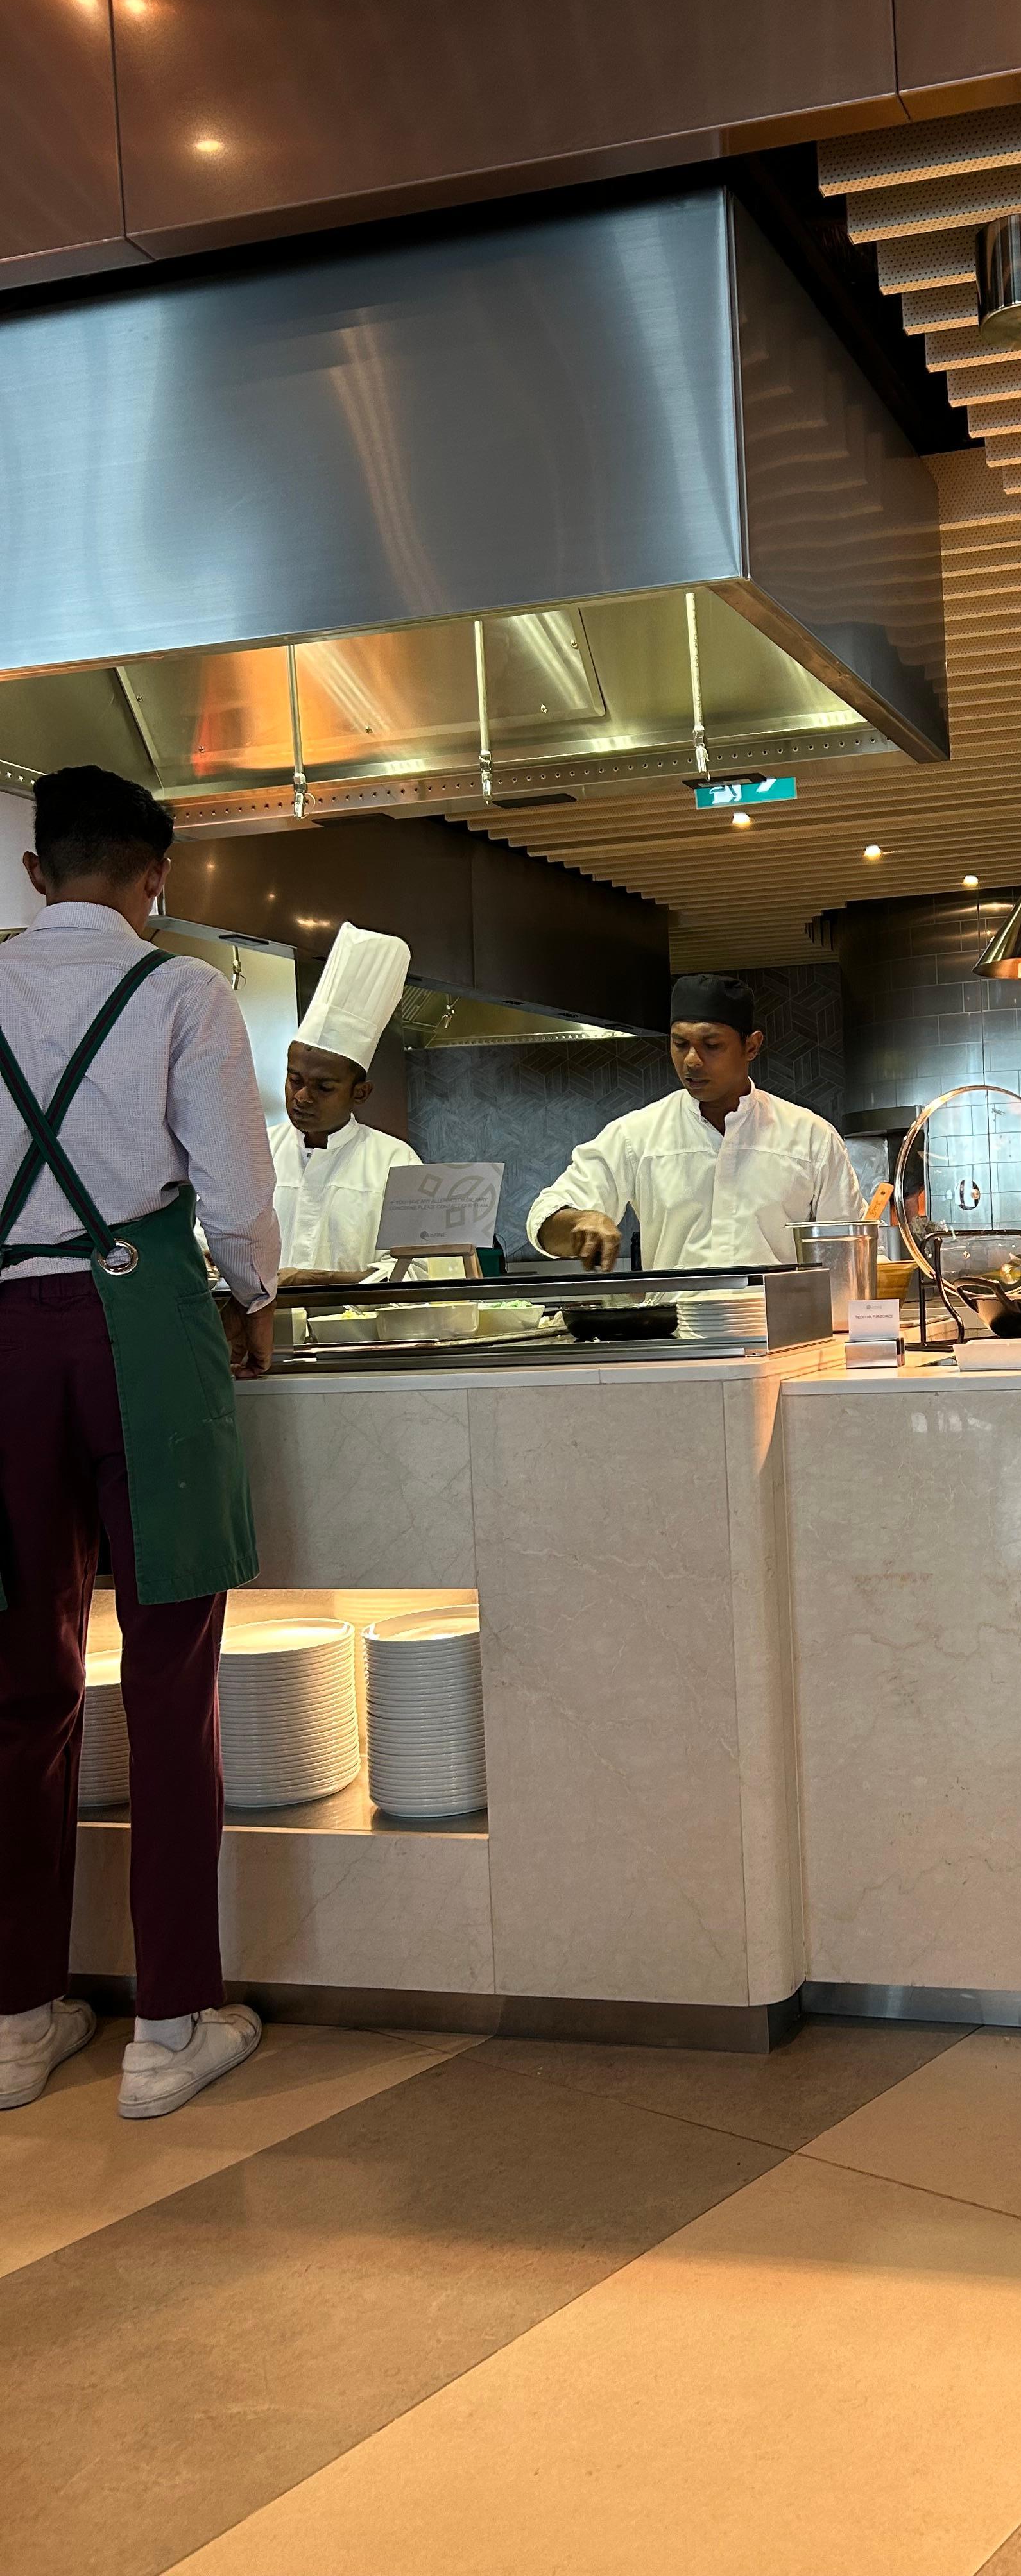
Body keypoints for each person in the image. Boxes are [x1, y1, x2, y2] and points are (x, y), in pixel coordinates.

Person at [0, 765, 278, 2120]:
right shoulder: (182, 992)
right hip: (145, 1330)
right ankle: (168, 2025)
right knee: (169, 1674)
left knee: (16, 1679)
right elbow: (233, 1189)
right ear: (152, 876)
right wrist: (257, 1293)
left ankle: (12, 2021)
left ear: (38, 871)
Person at [528, 973, 867, 1271]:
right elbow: (544, 1218)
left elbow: (854, 1249)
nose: (691, 1060)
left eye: (711, 1045)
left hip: (784, 1335)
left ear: (751, 1046)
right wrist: (582, 1221)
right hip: (678, 1337)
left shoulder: (810, 1136)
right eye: (680, 1044)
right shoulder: (637, 1135)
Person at [272, 923, 420, 1283]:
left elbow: (417, 1269)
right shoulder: (254, 1152)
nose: (301, 1097)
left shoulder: (395, 1162)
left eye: (323, 1087)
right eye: (295, 1080)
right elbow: (208, 1247)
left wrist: (313, 1283)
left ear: (361, 1093)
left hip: (361, 1336)